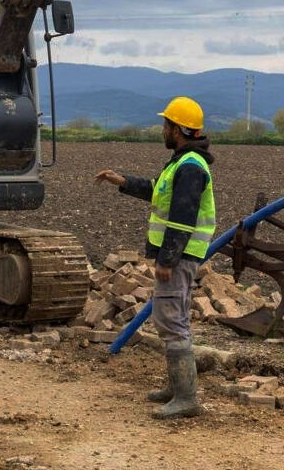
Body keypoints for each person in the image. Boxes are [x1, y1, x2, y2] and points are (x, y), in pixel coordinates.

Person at [94, 96, 215, 420]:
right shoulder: (183, 162)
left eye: (166, 125)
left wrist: (167, 260)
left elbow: (181, 219)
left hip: (179, 257)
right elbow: (156, 190)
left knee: (171, 321)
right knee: (170, 318)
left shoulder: (190, 166)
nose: (162, 130)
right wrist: (122, 181)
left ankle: (187, 397)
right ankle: (178, 388)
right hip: (181, 257)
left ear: (178, 129)